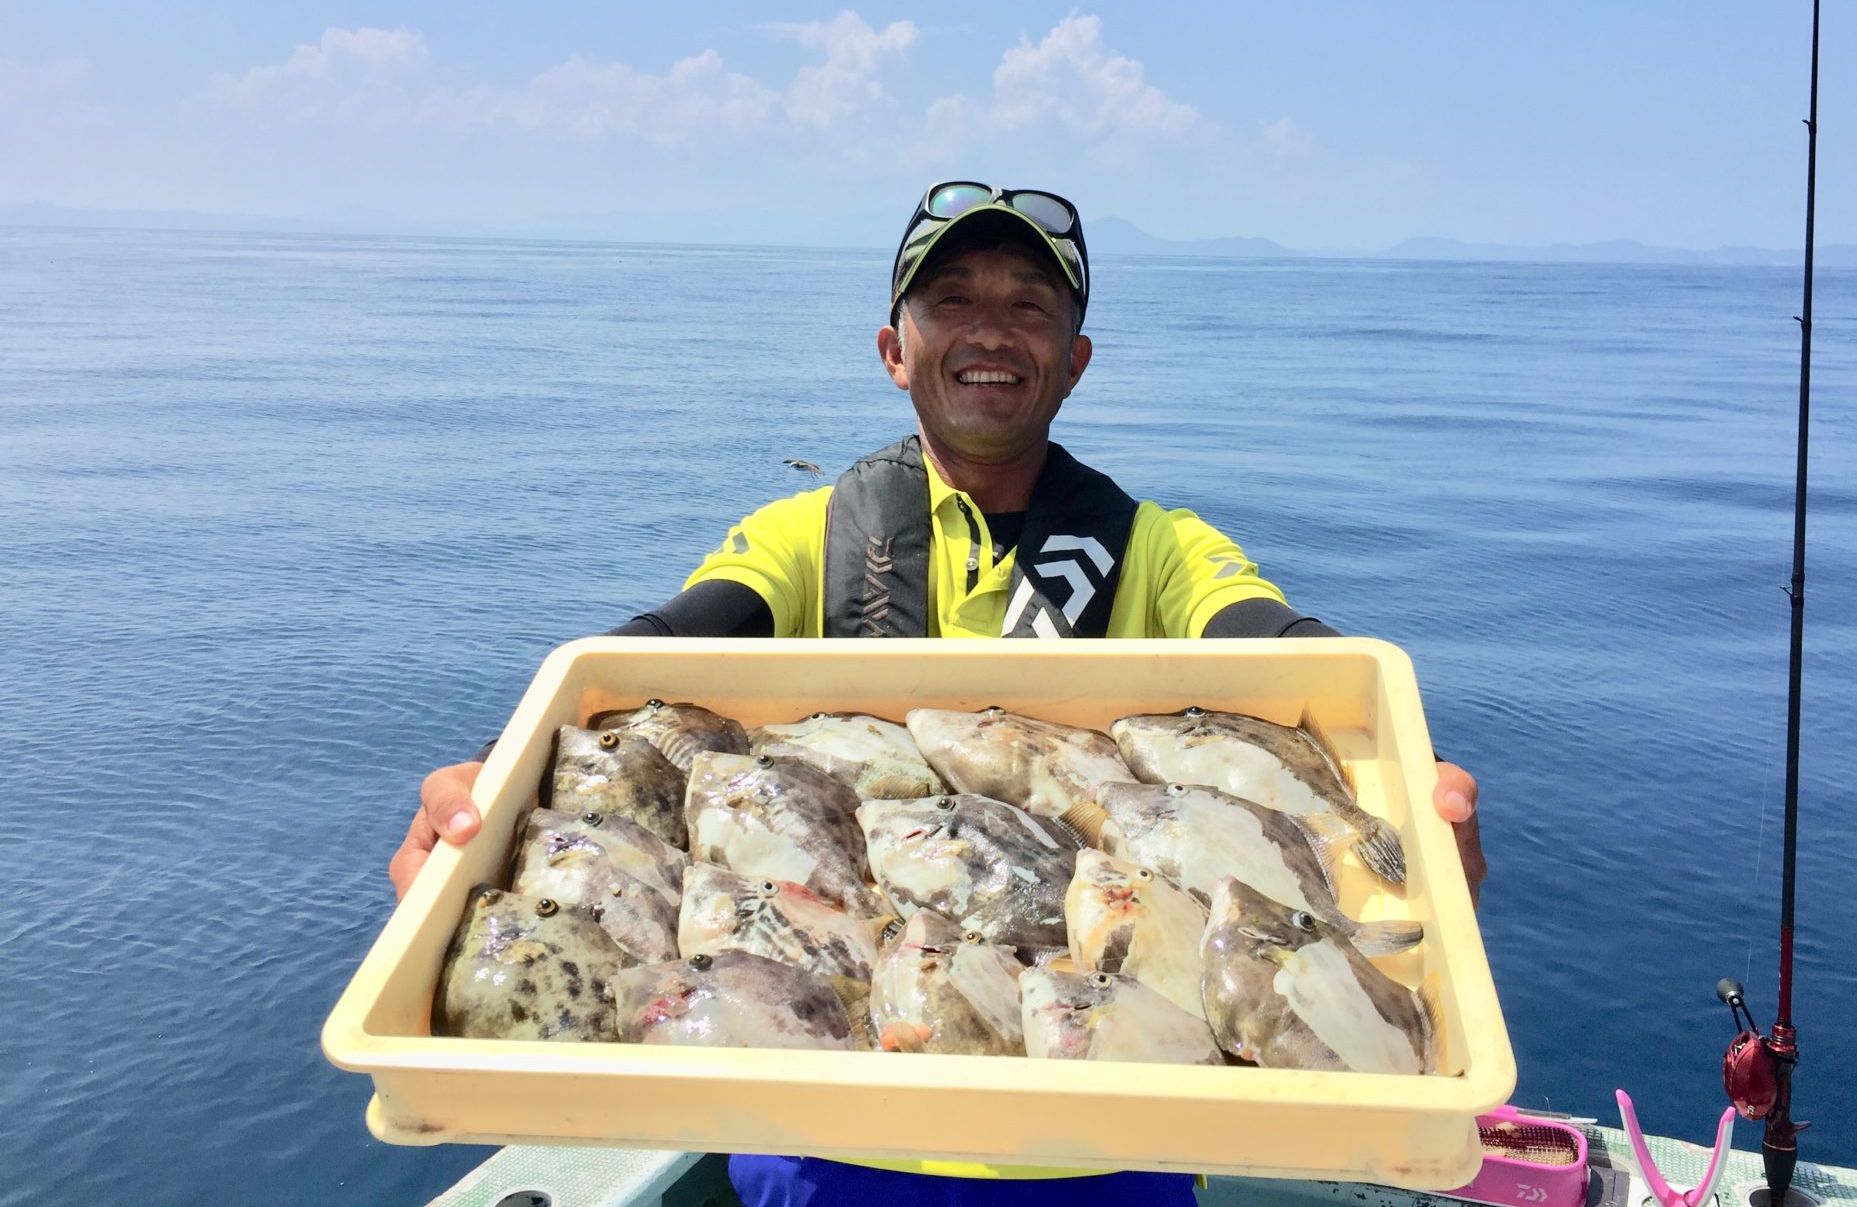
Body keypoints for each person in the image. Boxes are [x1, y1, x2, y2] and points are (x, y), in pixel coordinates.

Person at [389, 181, 1486, 1207]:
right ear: (893, 349)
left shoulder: (1159, 550)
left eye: (1029, 305)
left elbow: (1281, 647)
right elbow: (655, 652)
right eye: (951, 299)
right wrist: (491, 781)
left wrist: (1412, 784)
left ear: (1076, 358)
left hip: (1107, 1149)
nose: (990, 328)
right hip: (825, 1138)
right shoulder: (802, 537)